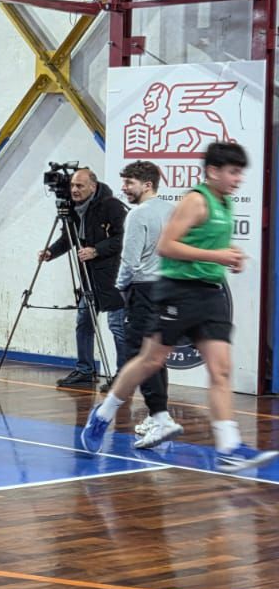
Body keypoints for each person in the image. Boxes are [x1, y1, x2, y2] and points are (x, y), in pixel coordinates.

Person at [84, 144, 277, 472]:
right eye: (232, 171)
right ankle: (103, 414)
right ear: (213, 171)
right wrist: (218, 256)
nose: (237, 178)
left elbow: (206, 243)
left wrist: (230, 252)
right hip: (178, 292)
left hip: (210, 295)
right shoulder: (196, 200)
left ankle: (229, 446)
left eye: (240, 172)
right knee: (150, 360)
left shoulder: (224, 203)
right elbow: (168, 245)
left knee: (221, 370)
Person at [39, 168, 127, 387]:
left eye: (79, 186)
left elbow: (124, 238)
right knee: (83, 322)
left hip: (112, 276)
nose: (74, 190)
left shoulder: (111, 206)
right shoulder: (72, 209)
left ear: (93, 186)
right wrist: (50, 252)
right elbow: (67, 238)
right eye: (72, 186)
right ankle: (84, 370)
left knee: (117, 326)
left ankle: (124, 376)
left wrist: (96, 250)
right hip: (88, 276)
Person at [114, 160, 179, 449]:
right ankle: (158, 415)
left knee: (138, 355)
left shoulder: (138, 214)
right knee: (155, 354)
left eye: (129, 183)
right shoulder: (173, 211)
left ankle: (160, 418)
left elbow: (129, 260)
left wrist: (120, 286)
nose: (124, 188)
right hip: (170, 287)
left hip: (143, 289)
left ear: (147, 184)